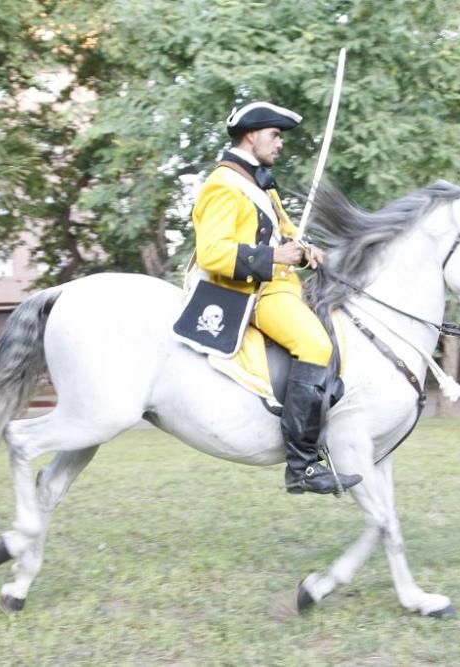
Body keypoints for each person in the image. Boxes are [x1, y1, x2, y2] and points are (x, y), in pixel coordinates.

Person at [191, 101, 361, 495]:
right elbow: (211, 253)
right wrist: (273, 257)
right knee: (315, 345)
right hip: (253, 292)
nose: (280, 144)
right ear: (251, 135)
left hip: (283, 285)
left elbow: (284, 233)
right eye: (275, 135)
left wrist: (304, 249)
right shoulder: (223, 184)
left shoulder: (259, 183)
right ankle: (302, 465)